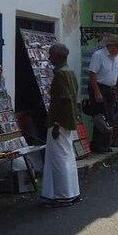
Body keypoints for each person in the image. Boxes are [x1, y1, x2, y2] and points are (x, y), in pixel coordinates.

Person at [42, 43, 82, 207]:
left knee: (59, 159)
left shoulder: (60, 75)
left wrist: (57, 123)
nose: (49, 58)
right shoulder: (70, 72)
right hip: (68, 120)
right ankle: (72, 193)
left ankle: (64, 196)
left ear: (59, 56)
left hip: (59, 122)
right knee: (67, 157)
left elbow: (64, 99)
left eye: (51, 55)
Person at [87, 34, 118, 153]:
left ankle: (105, 144)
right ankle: (97, 145)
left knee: (110, 116)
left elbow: (115, 73)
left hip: (111, 88)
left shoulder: (116, 56)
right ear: (110, 45)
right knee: (100, 117)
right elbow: (92, 74)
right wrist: (97, 92)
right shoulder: (99, 55)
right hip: (99, 87)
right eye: (117, 46)